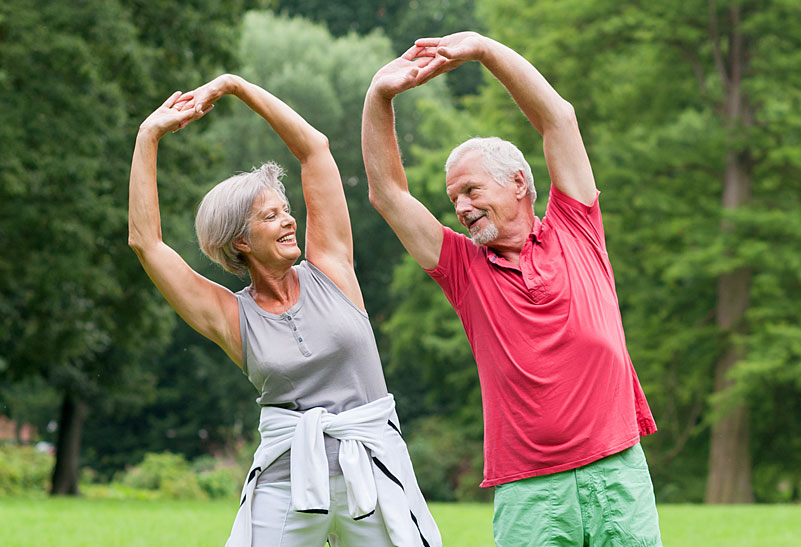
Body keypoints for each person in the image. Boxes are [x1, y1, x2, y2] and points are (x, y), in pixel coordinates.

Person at [362, 32, 662, 546]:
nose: (460, 206)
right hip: (531, 492)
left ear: (519, 183)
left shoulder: (577, 228)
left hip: (618, 470)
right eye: (453, 196)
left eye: (471, 189)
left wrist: (484, 49)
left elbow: (558, 119)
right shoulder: (464, 268)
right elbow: (387, 194)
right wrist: (378, 96)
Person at [129, 74, 440, 547]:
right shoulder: (231, 317)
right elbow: (146, 244)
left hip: (374, 466)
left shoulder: (332, 268)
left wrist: (236, 87)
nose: (289, 219)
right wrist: (147, 136)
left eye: (286, 208)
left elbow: (314, 149)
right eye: (270, 216)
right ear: (240, 241)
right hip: (287, 477)